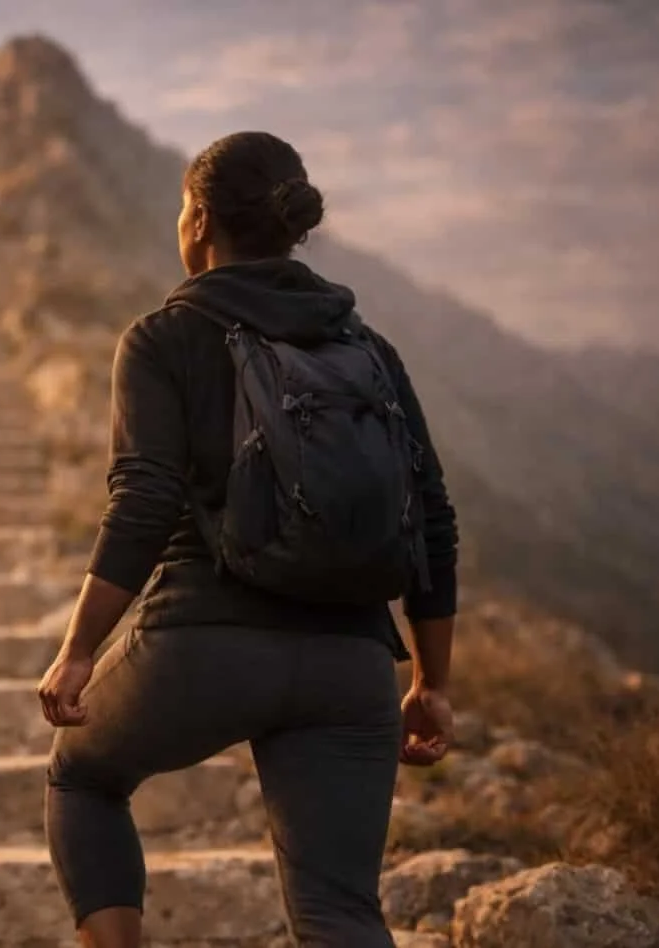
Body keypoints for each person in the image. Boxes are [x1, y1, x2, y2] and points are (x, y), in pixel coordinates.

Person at [37, 130, 459, 948]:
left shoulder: (164, 337)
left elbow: (144, 499)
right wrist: (431, 682)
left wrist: (80, 649)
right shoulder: (368, 348)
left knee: (82, 777)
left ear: (198, 219)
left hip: (203, 646)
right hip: (352, 664)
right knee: (339, 912)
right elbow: (433, 514)